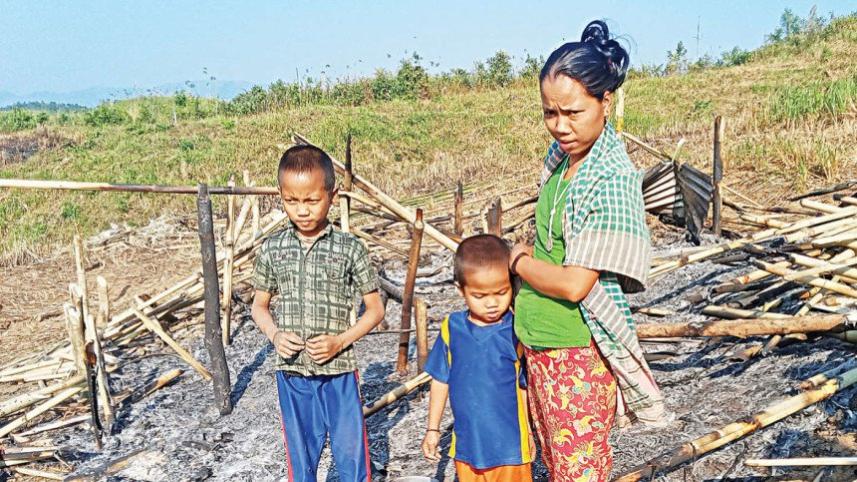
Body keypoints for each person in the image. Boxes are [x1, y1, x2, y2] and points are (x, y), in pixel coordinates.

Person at [510, 20, 668, 480]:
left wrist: (517, 259)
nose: (560, 126)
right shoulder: (561, 162)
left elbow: (577, 283)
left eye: (573, 112)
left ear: (606, 101)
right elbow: (551, 245)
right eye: (549, 112)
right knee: (559, 468)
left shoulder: (610, 177)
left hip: (575, 355)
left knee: (580, 473)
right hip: (540, 345)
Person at [251, 144, 385, 482]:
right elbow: (259, 306)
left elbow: (375, 310)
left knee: (351, 453)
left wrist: (340, 341)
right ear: (280, 197)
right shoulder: (273, 249)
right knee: (301, 455)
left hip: (339, 371)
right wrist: (275, 335)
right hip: (292, 372)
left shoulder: (350, 248)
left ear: (332, 195)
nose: (302, 211)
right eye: (291, 201)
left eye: (311, 200)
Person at [420, 234, 534, 482]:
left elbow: (525, 387)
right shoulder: (453, 329)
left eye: (501, 292)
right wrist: (432, 428)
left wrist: (531, 434)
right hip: (468, 447)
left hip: (510, 448)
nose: (492, 303)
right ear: (461, 289)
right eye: (480, 296)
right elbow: (440, 380)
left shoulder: (516, 330)